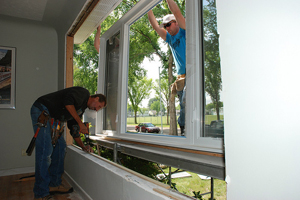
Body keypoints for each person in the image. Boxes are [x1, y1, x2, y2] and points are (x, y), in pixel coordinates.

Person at [30, 86, 106, 199]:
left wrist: (83, 146)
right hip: (42, 110)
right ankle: (40, 192)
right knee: (45, 150)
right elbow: (68, 102)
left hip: (53, 118)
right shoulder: (84, 93)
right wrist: (80, 123)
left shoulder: (80, 110)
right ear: (95, 98)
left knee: (61, 147)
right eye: (98, 106)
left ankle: (55, 184)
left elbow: (74, 130)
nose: (96, 110)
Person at [148, 0, 186, 135]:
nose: (167, 28)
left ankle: (188, 129)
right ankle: (184, 130)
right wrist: (148, 7)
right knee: (183, 106)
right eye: (165, 26)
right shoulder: (169, 38)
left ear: (176, 22)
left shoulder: (184, 30)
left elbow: (176, 11)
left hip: (193, 73)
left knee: (187, 102)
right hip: (181, 77)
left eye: (169, 24)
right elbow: (155, 27)